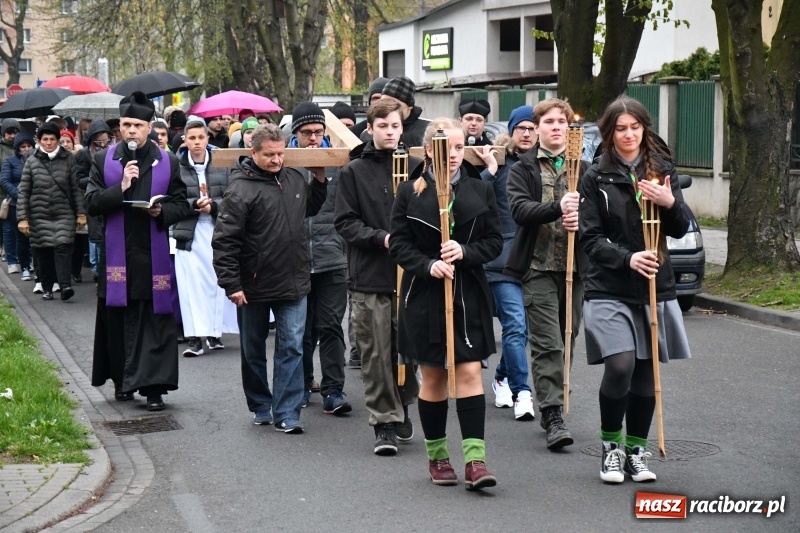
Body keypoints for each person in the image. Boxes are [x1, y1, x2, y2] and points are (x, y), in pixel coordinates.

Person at [579, 96, 691, 483]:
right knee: (621, 364)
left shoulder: (662, 170)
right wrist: (626, 258)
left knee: (645, 371)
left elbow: (680, 227)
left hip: (653, 286)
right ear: (608, 134)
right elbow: (590, 238)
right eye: (620, 129)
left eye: (635, 127)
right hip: (609, 285)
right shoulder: (595, 176)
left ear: (645, 128)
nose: (628, 135)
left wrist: (670, 201)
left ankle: (636, 451)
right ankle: (611, 448)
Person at [389, 118, 502, 489]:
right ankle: (438, 458)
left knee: (469, 371)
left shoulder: (479, 189)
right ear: (428, 151)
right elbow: (400, 245)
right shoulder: (409, 192)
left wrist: (465, 251)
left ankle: (475, 462)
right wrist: (428, 264)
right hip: (423, 296)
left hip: (468, 293)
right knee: (434, 374)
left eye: (457, 147)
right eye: (444, 148)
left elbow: (494, 242)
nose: (452, 155)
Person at [212, 124, 327, 433]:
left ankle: (288, 411)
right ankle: (261, 403)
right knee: (253, 349)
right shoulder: (240, 190)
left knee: (292, 347)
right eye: (269, 155)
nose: (277, 160)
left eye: (280, 153)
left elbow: (308, 208)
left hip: (293, 281)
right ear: (254, 152)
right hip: (253, 285)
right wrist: (232, 284)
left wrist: (318, 179)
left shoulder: (292, 178)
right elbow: (224, 241)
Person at [86, 91, 192, 411]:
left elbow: (181, 204)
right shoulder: (104, 160)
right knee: (118, 321)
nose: (130, 130)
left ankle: (154, 388)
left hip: (151, 255)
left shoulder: (167, 161)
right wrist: (119, 188)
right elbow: (91, 204)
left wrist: (162, 212)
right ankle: (122, 382)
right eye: (126, 124)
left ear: (149, 128)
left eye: (137, 125)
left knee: (154, 323)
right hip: (117, 256)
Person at [335, 98, 422, 455]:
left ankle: (403, 403)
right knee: (375, 352)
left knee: (408, 349)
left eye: (396, 126)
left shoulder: (417, 167)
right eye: (383, 126)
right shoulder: (354, 171)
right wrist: (381, 237)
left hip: (411, 276)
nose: (390, 132)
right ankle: (383, 421)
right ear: (369, 129)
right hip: (370, 275)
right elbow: (345, 222)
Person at [505, 98, 586, 451]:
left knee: (567, 338)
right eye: (549, 121)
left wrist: (583, 220)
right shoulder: (523, 167)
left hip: (574, 267)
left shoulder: (583, 167)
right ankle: (552, 412)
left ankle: (555, 397)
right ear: (536, 128)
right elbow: (519, 209)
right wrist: (557, 207)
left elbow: (601, 214)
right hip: (537, 268)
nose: (556, 127)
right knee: (547, 342)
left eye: (562, 122)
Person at [286, 102, 350, 413]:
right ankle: (302, 384)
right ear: (294, 133)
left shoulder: (338, 162)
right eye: (306, 133)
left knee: (330, 326)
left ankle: (334, 390)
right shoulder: (282, 163)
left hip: (331, 260)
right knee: (301, 328)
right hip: (295, 261)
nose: (313, 138)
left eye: (318, 132)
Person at [480, 105, 537, 421]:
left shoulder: (542, 165)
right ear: (512, 131)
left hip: (536, 261)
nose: (527, 133)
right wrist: (488, 170)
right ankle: (522, 392)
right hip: (503, 262)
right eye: (522, 128)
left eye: (532, 127)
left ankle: (502, 376)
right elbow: (470, 197)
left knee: (524, 330)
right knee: (514, 324)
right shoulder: (499, 162)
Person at [172, 117, 237, 357]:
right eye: (192, 138)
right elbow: (173, 199)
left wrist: (214, 207)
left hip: (216, 230)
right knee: (191, 287)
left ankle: (214, 332)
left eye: (201, 137)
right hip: (189, 233)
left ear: (207, 139)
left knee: (215, 282)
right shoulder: (176, 168)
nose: (197, 142)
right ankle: (193, 338)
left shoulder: (221, 166)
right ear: (185, 141)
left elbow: (232, 197)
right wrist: (192, 205)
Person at [17, 121, 85, 301]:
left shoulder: (68, 159)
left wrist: (81, 213)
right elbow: (23, 191)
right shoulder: (31, 161)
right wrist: (22, 218)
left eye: (52, 139)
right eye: (45, 139)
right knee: (44, 252)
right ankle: (47, 287)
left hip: (63, 212)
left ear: (57, 140)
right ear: (39, 141)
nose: (48, 143)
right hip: (39, 215)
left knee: (63, 248)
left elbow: (75, 189)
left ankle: (65, 286)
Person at [75, 119, 114, 284]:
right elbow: (79, 179)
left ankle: (109, 270)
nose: (103, 145)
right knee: (96, 237)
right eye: (98, 142)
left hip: (112, 197)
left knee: (112, 236)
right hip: (94, 198)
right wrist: (95, 178)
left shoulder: (116, 151)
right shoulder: (84, 154)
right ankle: (98, 270)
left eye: (106, 141)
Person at [1, 133, 34, 283]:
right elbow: (5, 180)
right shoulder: (10, 161)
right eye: (23, 147)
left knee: (36, 237)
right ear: (17, 148)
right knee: (21, 237)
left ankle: (33, 262)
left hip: (35, 203)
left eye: (29, 146)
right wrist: (19, 195)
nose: (26, 149)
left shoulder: (36, 160)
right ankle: (25, 266)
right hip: (16, 204)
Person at [360, 76, 430, 147]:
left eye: (396, 105)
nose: (389, 108)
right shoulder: (368, 134)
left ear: (410, 106)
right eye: (384, 102)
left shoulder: (428, 130)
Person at [0, 119, 21, 271]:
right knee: (7, 226)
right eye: (9, 133)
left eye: (15, 132)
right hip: (3, 193)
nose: (13, 136)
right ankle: (8, 253)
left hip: (20, 191)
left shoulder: (22, 147)